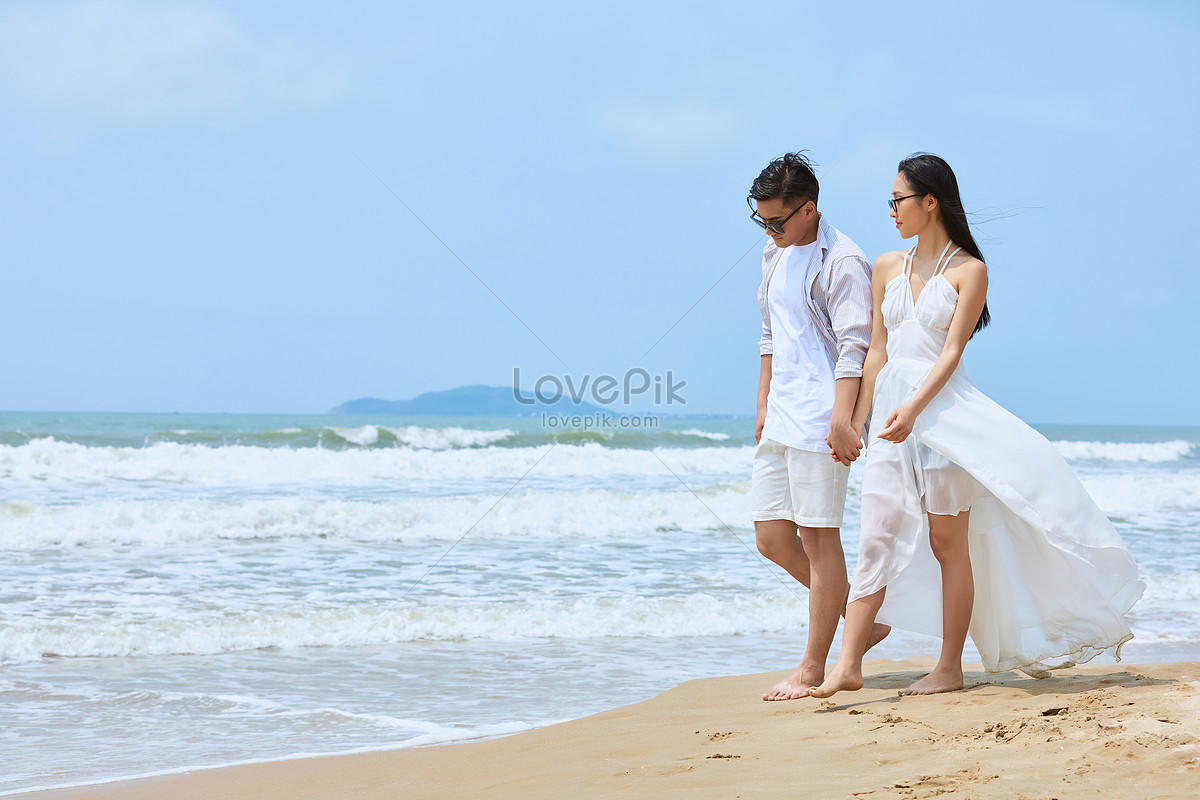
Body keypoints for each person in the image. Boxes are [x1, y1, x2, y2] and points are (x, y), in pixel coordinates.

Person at [809, 153, 1145, 698]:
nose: (891, 210)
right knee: (875, 533)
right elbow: (878, 351)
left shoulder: (970, 271)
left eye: (898, 200)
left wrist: (914, 409)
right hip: (891, 420)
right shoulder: (885, 266)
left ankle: (949, 667)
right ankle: (847, 665)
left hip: (944, 418)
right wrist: (854, 419)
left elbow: (951, 353)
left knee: (948, 543)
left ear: (930, 201)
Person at [748, 151, 889, 701]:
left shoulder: (844, 261)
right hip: (782, 414)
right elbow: (769, 334)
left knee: (818, 538)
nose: (770, 229)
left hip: (820, 418)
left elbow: (856, 345)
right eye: (763, 220)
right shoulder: (772, 252)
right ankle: (861, 620)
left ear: (809, 210)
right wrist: (761, 403)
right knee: (772, 537)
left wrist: (843, 417)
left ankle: (813, 666)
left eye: (778, 220)